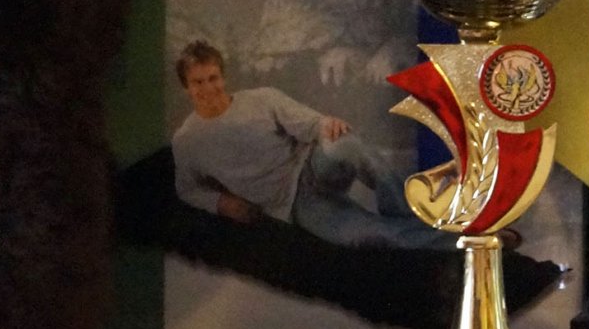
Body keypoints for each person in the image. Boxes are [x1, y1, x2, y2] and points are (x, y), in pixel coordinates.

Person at [170, 41, 450, 250]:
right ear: (186, 88)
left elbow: (310, 123)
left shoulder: (262, 100)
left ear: (223, 77)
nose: (208, 88)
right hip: (294, 205)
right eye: (198, 82)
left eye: (213, 78)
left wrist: (326, 124)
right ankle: (454, 241)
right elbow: (188, 189)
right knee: (368, 235)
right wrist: (221, 203)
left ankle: (410, 209)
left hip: (313, 166)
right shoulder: (187, 140)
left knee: (345, 143)